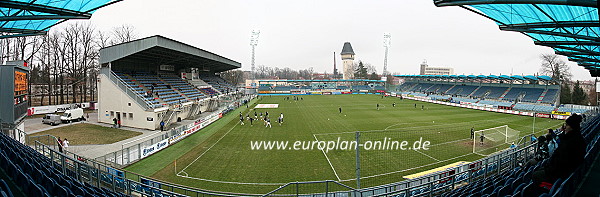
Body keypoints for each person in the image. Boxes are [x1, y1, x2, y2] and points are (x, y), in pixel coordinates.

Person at [527, 114, 586, 196]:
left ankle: (542, 192)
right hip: (566, 171)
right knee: (539, 169)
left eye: (567, 125)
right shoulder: (577, 138)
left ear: (572, 126)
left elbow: (561, 161)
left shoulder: (569, 143)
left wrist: (548, 169)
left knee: (535, 174)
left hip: (560, 173)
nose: (565, 127)